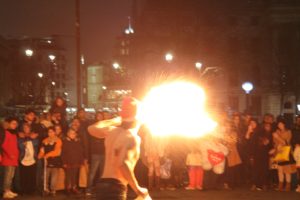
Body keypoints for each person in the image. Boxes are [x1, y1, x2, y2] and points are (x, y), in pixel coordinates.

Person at [88, 97, 151, 200]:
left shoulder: (112, 131)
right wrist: (137, 189)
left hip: (102, 185)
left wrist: (114, 121)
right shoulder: (132, 137)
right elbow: (122, 164)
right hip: (115, 189)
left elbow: (92, 129)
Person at [272, 119, 296, 191]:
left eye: (281, 124)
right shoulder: (277, 132)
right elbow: (274, 142)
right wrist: (276, 146)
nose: (279, 125)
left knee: (287, 170)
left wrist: (277, 137)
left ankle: (288, 186)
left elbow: (286, 142)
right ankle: (280, 185)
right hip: (279, 152)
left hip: (286, 152)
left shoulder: (288, 132)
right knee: (280, 170)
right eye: (278, 124)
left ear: (284, 124)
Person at [38, 127, 62, 196]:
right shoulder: (44, 141)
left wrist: (47, 155)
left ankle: (53, 190)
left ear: (54, 132)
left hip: (55, 161)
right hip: (46, 161)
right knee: (45, 176)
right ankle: (46, 189)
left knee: (54, 177)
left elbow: (57, 151)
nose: (50, 133)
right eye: (49, 132)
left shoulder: (58, 140)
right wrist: (40, 155)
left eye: (51, 132)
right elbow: (42, 149)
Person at [0, 117, 19, 199]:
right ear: (9, 124)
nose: (15, 125)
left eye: (16, 124)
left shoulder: (14, 134)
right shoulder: (6, 133)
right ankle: (5, 191)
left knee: (11, 176)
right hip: (8, 158)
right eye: (13, 123)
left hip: (14, 158)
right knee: (7, 176)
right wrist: (10, 154)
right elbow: (4, 145)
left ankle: (8, 190)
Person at [62, 128, 85, 195]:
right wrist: (64, 162)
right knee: (68, 176)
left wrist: (81, 161)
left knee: (74, 175)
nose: (73, 135)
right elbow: (63, 153)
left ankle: (74, 188)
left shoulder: (78, 142)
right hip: (68, 162)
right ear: (68, 134)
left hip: (76, 161)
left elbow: (80, 152)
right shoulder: (65, 142)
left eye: (74, 133)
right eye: (71, 133)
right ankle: (68, 188)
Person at [18, 123, 39, 195]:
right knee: (24, 175)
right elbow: (20, 145)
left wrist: (27, 142)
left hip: (32, 159)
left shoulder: (34, 135)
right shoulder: (20, 136)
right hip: (23, 158)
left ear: (30, 128)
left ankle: (31, 190)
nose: (26, 129)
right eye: (24, 128)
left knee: (32, 175)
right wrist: (28, 142)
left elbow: (36, 143)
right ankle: (24, 190)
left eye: (27, 127)